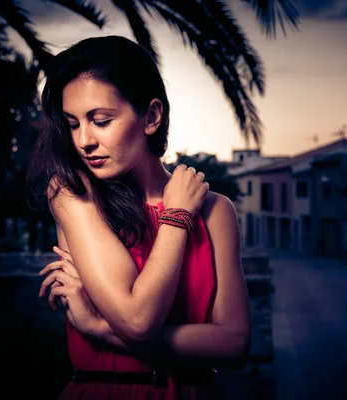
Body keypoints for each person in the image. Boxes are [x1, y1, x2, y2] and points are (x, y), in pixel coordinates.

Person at [26, 35, 250, 400]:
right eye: (72, 123)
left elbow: (235, 345)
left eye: (101, 120)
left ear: (151, 116)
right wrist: (176, 218)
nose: (84, 141)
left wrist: (100, 327)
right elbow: (137, 320)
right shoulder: (71, 192)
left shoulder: (215, 211)